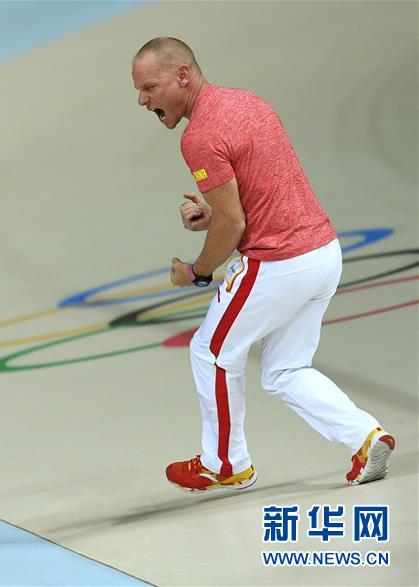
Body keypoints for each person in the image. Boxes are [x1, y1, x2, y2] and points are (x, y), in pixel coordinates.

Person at [130, 37, 394, 492]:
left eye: (150, 87)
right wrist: (213, 218)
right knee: (285, 370)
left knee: (211, 351)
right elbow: (261, 191)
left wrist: (195, 272)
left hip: (281, 263)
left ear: (183, 76)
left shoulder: (199, 136)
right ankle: (366, 437)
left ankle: (225, 464)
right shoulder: (247, 102)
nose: (142, 100)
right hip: (323, 254)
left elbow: (233, 226)